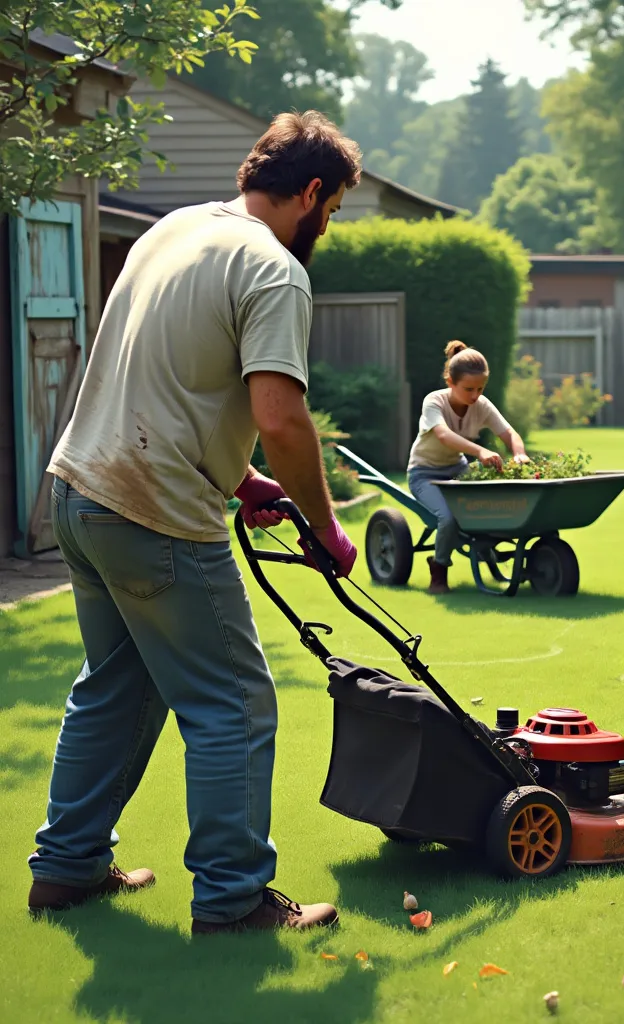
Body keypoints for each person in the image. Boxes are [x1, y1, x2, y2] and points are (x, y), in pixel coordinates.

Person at [27, 111, 362, 934]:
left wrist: (240, 479)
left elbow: (165, 375)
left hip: (79, 492)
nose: (327, 227)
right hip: (156, 514)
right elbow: (281, 417)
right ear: (309, 192)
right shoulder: (274, 269)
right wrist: (326, 528)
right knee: (234, 702)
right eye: (332, 209)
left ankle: (66, 868)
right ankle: (233, 898)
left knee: (118, 685)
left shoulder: (172, 231)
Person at [407, 341, 529, 594]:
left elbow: (509, 433)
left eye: (480, 388)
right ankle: (438, 570)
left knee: (490, 498)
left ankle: (487, 550)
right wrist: (480, 451)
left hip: (456, 469)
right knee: (448, 519)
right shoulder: (434, 401)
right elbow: (443, 435)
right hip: (424, 474)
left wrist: (520, 454)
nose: (475, 396)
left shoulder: (481, 404)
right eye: (469, 389)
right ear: (450, 382)